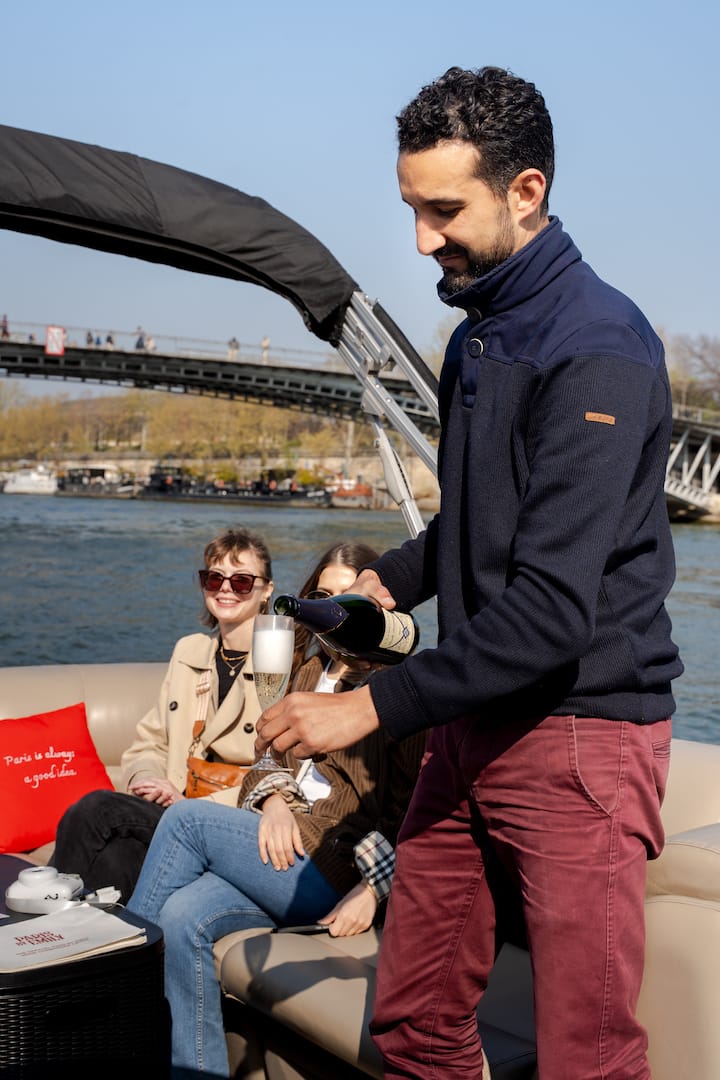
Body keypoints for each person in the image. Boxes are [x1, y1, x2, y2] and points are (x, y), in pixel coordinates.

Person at [255, 66, 684, 1080]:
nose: (421, 240)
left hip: (581, 736)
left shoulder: (599, 349)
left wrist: (364, 710)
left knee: (587, 1056)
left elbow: (549, 615)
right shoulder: (479, 335)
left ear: (525, 191)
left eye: (443, 210)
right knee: (412, 1022)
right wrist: (390, 584)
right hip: (472, 723)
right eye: (412, 207)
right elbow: (481, 527)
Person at [127, 541, 426, 1077]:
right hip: (282, 849)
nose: (334, 612)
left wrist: (372, 889)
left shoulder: (395, 690)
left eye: (348, 599)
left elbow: (420, 808)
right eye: (323, 596)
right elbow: (264, 754)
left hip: (333, 865)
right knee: (181, 916)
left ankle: (118, 1001)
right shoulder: (309, 671)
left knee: (186, 820)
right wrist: (274, 801)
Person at [52, 526, 273, 902]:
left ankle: (46, 915)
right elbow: (150, 742)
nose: (225, 589)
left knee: (96, 809)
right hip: (170, 812)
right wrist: (148, 782)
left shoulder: (280, 666)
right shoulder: (189, 653)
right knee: (115, 859)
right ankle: (86, 935)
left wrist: (190, 806)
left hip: (231, 821)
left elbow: (281, 772)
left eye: (241, 581)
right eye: (214, 578)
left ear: (266, 590)